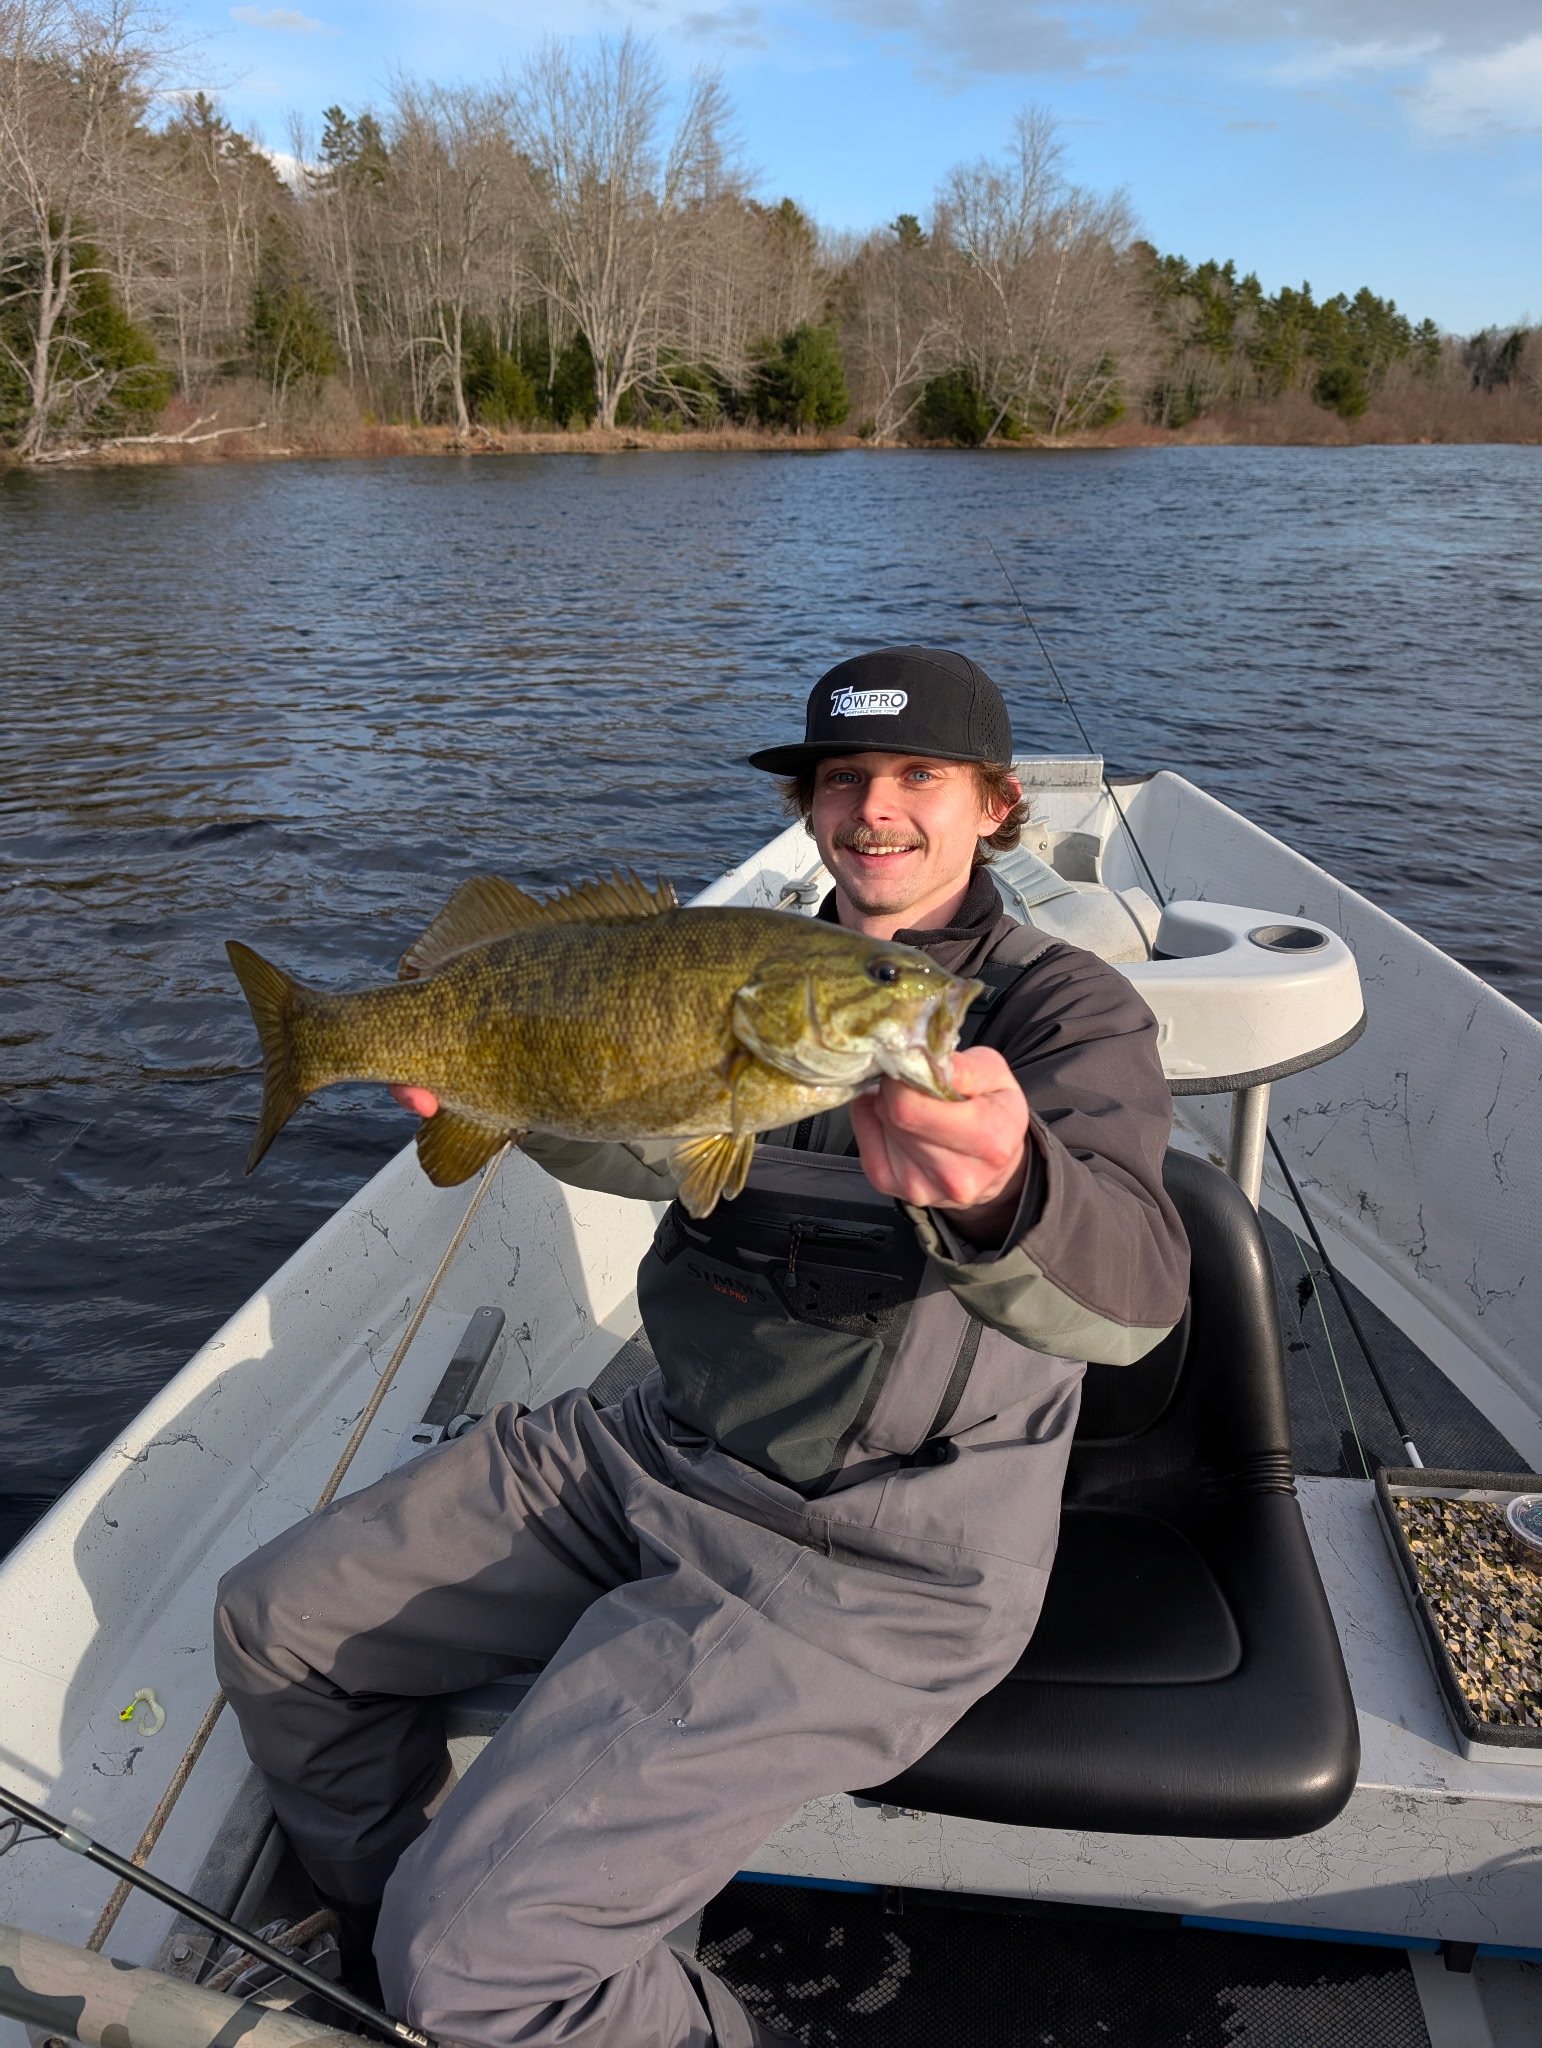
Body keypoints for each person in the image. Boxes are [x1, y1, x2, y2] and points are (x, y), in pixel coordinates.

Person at [214, 645, 1189, 2048]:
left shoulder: (1058, 1013)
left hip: (876, 1547)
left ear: (994, 805)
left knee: (479, 1954)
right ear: (809, 809)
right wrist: (489, 1083)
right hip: (651, 1449)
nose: (876, 810)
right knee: (278, 1623)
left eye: (920, 776)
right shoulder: (744, 965)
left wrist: (1002, 1185)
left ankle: (479, 1978)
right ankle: (393, 1957)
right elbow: (639, 1149)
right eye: (844, 779)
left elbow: (1136, 1295)